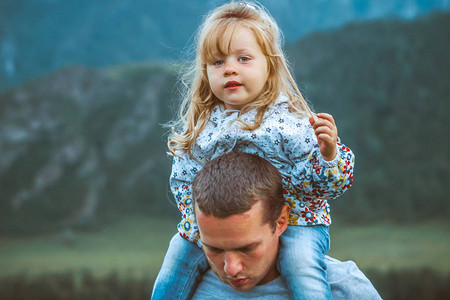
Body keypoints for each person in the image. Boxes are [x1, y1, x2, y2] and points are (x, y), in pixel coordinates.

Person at [152, 1, 355, 299]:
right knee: (174, 263)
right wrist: (198, 225)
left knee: (300, 266)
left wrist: (328, 156)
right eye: (217, 62)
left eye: (244, 58)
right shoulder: (203, 127)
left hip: (297, 219)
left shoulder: (291, 123)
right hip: (218, 228)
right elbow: (184, 179)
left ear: (269, 65)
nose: (230, 68)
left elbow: (324, 189)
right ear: (205, 71)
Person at [190, 151, 380, 299]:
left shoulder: (346, 289)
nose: (230, 269)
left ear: (281, 221)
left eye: (246, 248)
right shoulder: (183, 289)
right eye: (214, 249)